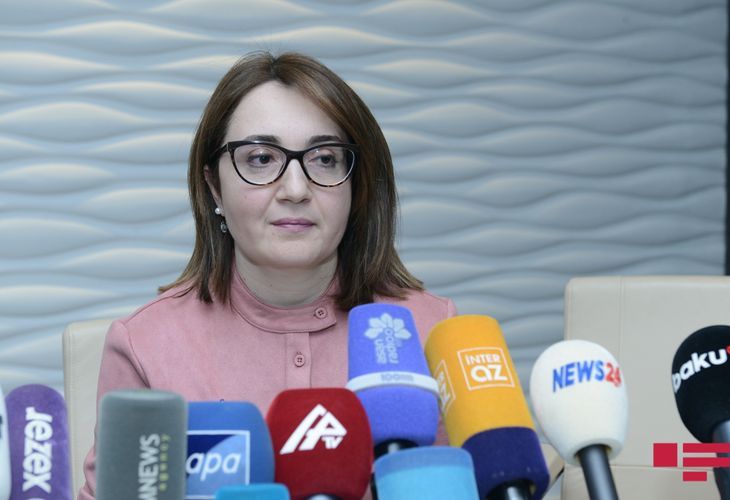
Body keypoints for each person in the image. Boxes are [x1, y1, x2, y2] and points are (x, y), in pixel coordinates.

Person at [78, 51, 456, 499]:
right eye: (260, 158)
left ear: (355, 185)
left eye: (325, 158)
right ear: (213, 186)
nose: (295, 189)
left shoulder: (431, 331)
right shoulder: (146, 346)